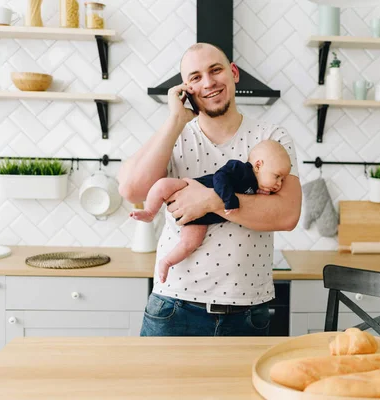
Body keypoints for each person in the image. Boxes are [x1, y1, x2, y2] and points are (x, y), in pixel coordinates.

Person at [117, 42, 302, 337]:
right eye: (195, 77)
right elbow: (133, 191)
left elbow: (287, 214)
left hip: (248, 311)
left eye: (215, 70)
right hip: (174, 307)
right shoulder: (174, 135)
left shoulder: (271, 138)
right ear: (186, 89)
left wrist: (210, 200)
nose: (208, 82)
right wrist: (176, 119)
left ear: (233, 73)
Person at [130, 139, 292, 284]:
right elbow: (220, 177)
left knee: (190, 244)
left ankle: (166, 262)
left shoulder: (258, 188)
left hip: (202, 218)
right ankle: (150, 212)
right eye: (277, 176)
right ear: (258, 165)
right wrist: (228, 199)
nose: (279, 184)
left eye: (282, 180)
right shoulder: (240, 169)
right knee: (162, 185)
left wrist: (263, 193)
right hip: (189, 188)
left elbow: (268, 208)